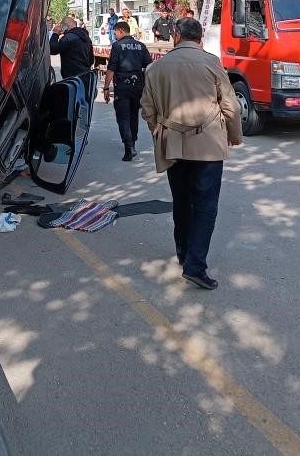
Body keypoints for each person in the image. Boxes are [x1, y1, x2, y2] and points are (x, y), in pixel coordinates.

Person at [140, 18, 243, 290]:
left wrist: (160, 133)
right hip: (208, 144)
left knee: (182, 201)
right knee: (206, 206)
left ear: (175, 35)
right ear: (200, 38)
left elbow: (147, 110)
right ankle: (195, 265)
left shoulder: (156, 67)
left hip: (172, 144)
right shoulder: (211, 63)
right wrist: (234, 136)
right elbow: (231, 106)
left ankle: (184, 253)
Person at [103, 21, 153, 161]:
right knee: (133, 115)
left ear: (120, 31)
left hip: (122, 86)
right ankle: (133, 144)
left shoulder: (117, 46)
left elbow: (111, 68)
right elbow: (149, 66)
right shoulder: (140, 46)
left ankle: (128, 147)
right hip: (138, 85)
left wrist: (106, 87)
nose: (115, 36)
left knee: (123, 116)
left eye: (115, 33)